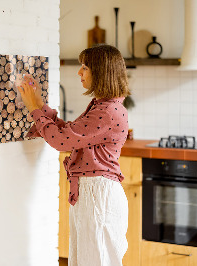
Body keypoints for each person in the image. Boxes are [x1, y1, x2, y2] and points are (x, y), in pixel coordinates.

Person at [17, 44, 130, 266]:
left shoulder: (107, 111)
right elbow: (70, 133)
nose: (79, 72)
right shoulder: (103, 106)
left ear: (101, 71)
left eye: (85, 67)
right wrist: (39, 104)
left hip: (98, 195)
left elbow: (61, 141)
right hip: (92, 193)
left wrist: (34, 109)